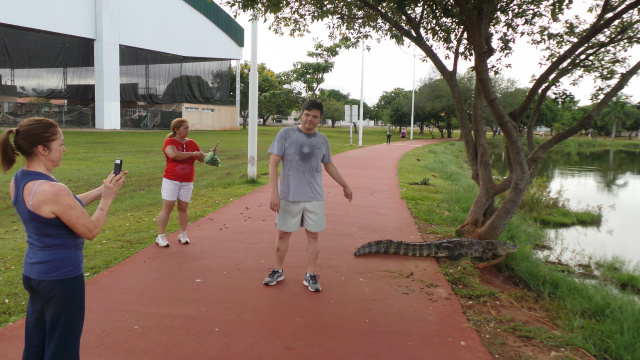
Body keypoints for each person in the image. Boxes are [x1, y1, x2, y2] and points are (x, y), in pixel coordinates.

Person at [0, 117, 127, 360]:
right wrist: (108, 199)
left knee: (36, 343)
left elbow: (65, 206)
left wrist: (102, 189)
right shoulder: (54, 190)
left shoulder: (19, 179)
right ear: (42, 149)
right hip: (61, 279)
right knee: (63, 347)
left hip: (35, 275)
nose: (64, 149)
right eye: (61, 144)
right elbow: (90, 230)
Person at [264, 99, 353, 292]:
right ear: (301, 114)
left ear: (320, 119)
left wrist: (345, 185)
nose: (309, 119)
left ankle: (310, 274)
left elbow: (329, 164)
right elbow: (273, 164)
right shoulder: (285, 134)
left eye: (315, 117)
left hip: (314, 197)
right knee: (283, 234)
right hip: (288, 195)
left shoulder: (322, 140)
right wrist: (274, 194)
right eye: (307, 114)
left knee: (313, 235)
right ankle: (278, 270)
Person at [156, 118, 213, 247]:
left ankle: (182, 233)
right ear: (176, 130)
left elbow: (201, 158)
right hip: (171, 180)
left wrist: (210, 155)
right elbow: (174, 155)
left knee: (183, 208)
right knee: (168, 207)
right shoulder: (169, 142)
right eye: (185, 128)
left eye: (188, 128)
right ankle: (161, 236)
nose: (188, 130)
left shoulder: (192, 143)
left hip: (187, 181)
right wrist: (192, 154)